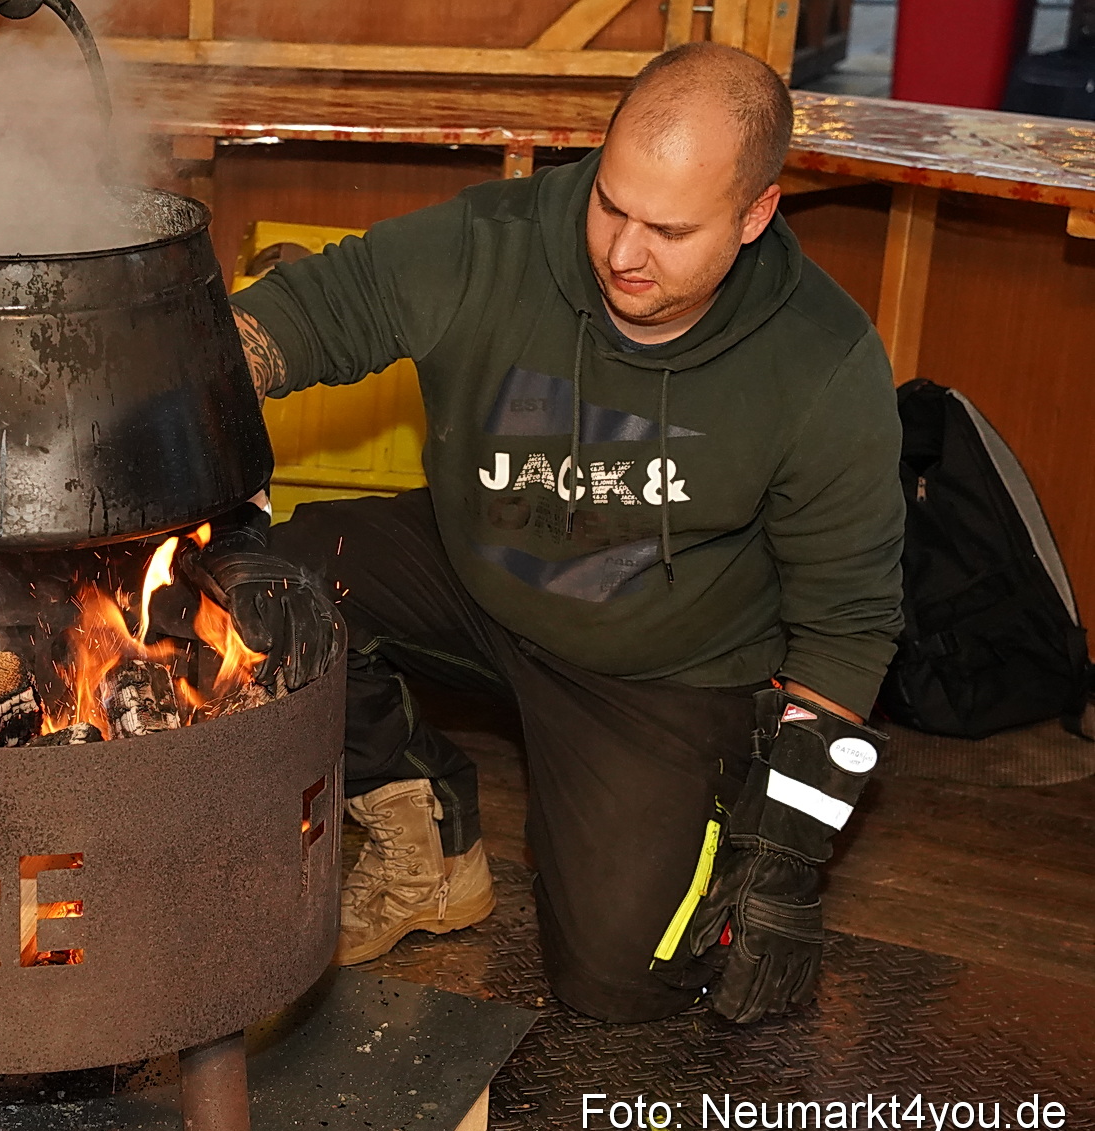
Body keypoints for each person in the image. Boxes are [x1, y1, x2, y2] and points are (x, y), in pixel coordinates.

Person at [214, 42, 905, 1025]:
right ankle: (431, 839)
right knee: (255, 585)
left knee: (623, 983)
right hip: (479, 568)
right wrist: (160, 395)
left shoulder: (821, 361)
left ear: (756, 215)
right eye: (610, 203)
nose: (623, 252)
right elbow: (307, 313)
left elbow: (849, 618)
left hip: (665, 669)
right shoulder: (493, 241)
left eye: (667, 229)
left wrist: (792, 845)